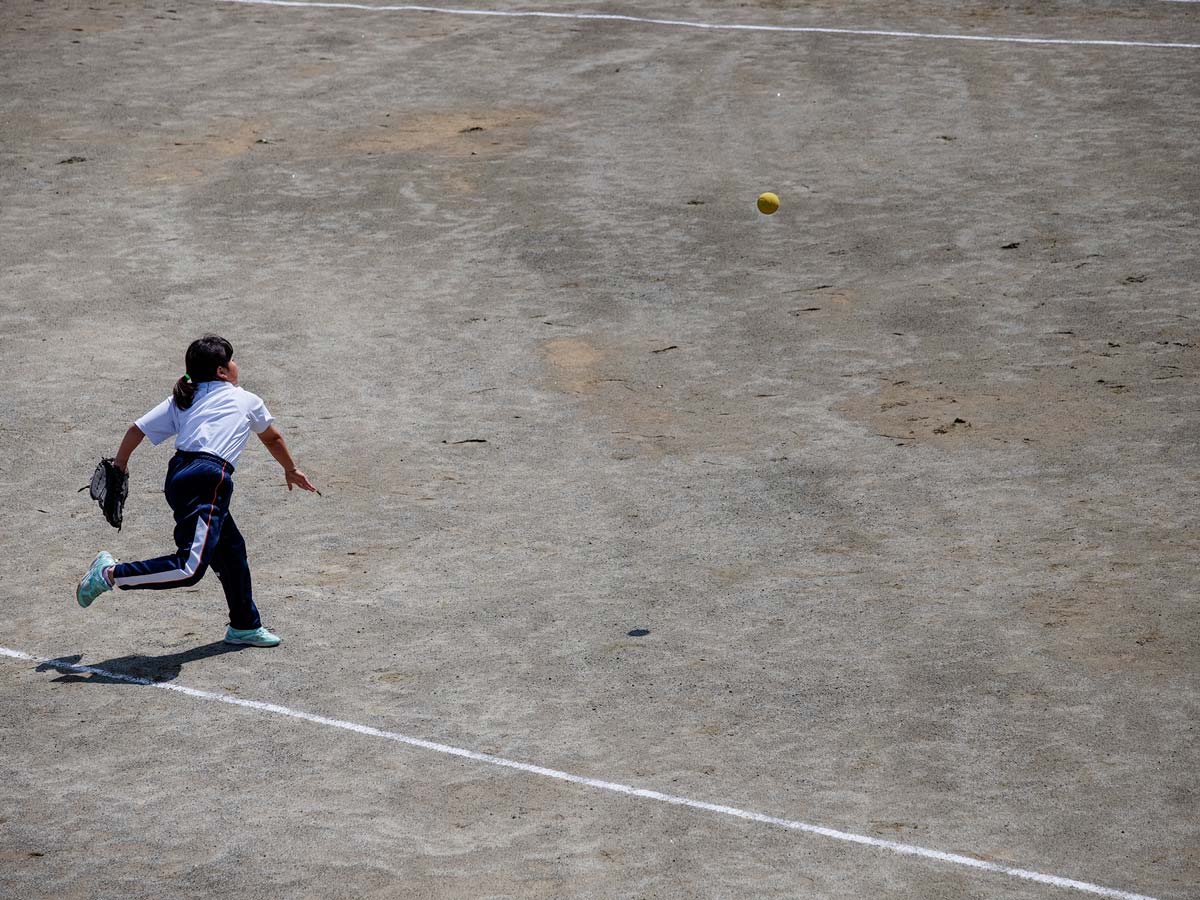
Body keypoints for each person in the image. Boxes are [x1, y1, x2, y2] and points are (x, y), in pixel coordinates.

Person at [75, 334, 318, 647]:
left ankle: (244, 624)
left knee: (230, 550)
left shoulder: (184, 398)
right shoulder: (245, 399)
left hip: (180, 475)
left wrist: (120, 467)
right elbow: (272, 437)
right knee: (189, 568)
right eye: (231, 359)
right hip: (208, 478)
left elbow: (136, 429)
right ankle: (109, 574)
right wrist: (290, 468)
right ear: (221, 371)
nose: (236, 364)